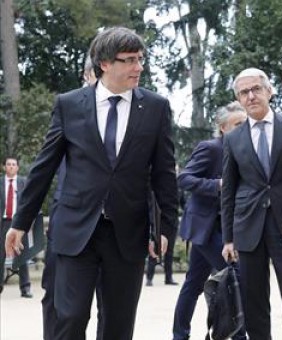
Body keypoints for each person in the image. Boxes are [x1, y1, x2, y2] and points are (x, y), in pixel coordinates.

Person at [4, 26, 178, 340]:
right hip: (75, 230)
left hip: (127, 232)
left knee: (117, 325)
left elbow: (164, 174)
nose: (138, 67)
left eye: (140, 59)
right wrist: (21, 221)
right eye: (129, 60)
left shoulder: (155, 107)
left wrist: (165, 227)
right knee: (69, 318)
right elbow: (45, 167)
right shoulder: (69, 105)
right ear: (104, 64)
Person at [221, 68, 282, 340]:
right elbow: (229, 190)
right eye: (244, 92)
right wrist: (228, 238)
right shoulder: (233, 138)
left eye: (256, 89)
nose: (251, 96)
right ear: (239, 98)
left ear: (269, 91)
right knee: (253, 303)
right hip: (248, 230)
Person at [41, 55, 105, 340]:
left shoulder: (131, 115)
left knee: (111, 306)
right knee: (59, 301)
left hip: (113, 227)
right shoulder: (69, 112)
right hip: (68, 222)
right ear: (88, 77)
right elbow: (45, 167)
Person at [172, 101, 247, 340]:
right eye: (238, 124)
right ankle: (236, 335)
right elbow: (184, 178)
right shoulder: (211, 148)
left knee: (193, 283)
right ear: (223, 128)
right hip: (204, 227)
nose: (243, 128)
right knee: (234, 277)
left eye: (245, 123)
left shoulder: (245, 151)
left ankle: (179, 335)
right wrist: (217, 185)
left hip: (225, 228)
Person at [0, 157, 33, 297]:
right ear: (4, 167)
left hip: (18, 223)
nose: (11, 167)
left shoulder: (24, 182)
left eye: (14, 164)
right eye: (9, 164)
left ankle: (25, 288)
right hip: (3, 222)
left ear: (18, 167)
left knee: (22, 255)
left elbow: (30, 201)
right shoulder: (1, 182)